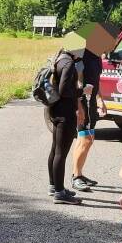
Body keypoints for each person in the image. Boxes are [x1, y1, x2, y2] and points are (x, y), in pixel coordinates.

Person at [48, 47, 84, 205]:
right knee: (61, 154)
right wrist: (81, 91)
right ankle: (60, 193)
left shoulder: (59, 58)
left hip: (54, 110)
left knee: (55, 149)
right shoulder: (69, 63)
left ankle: (54, 186)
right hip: (65, 113)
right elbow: (64, 90)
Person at [70, 48, 105, 191]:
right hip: (82, 101)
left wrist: (100, 99)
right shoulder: (82, 56)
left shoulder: (97, 56)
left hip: (91, 102)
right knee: (84, 138)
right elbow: (76, 82)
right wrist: (79, 106)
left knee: (87, 138)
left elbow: (96, 81)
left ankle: (79, 174)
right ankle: (76, 177)